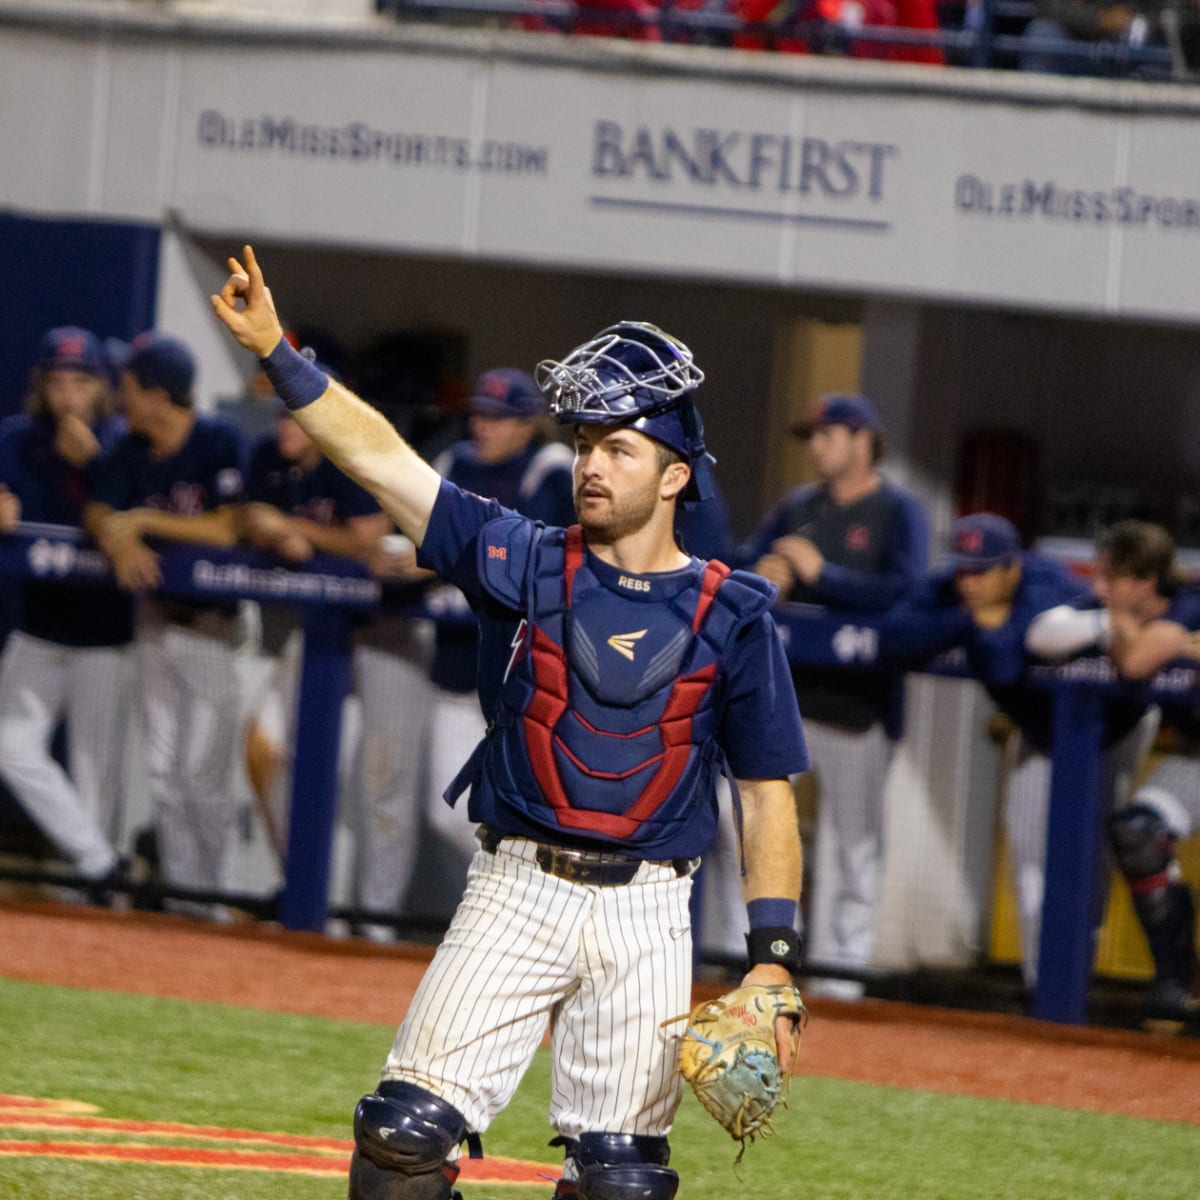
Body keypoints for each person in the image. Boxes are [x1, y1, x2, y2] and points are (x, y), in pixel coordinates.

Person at [212, 245, 808, 1200]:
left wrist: (773, 962)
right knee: (403, 1138)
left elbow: (768, 797)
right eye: (583, 446)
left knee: (623, 1183)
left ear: (675, 478)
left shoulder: (734, 613)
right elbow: (381, 461)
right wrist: (281, 353)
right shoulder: (519, 556)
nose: (590, 465)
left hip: (652, 911)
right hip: (518, 885)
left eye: (618, 448)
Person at [884, 513, 1153, 992]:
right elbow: (892, 636)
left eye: (982, 570)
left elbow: (1011, 660)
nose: (969, 581)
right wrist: (967, 620)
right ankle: (1042, 989)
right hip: (1040, 729)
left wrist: (985, 633)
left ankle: (1072, 991)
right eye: (964, 569)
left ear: (1011, 566)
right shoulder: (958, 589)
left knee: (1087, 864)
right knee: (1029, 858)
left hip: (1107, 729)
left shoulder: (1050, 585)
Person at [736, 392, 928, 998]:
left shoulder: (898, 509)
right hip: (787, 697)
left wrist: (823, 574)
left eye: (827, 434)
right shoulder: (799, 506)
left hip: (858, 707)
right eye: (813, 436)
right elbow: (741, 566)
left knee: (854, 848)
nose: (816, 446)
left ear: (862, 438)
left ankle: (843, 982)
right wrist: (772, 571)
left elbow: (907, 593)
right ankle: (743, 960)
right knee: (751, 834)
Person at [85, 332, 247, 912]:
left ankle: (217, 902)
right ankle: (186, 905)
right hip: (155, 620)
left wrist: (144, 520)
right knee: (162, 773)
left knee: (201, 778)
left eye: (128, 386)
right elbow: (100, 506)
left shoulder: (216, 439)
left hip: (209, 628)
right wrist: (116, 538)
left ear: (157, 394)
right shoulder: (128, 447)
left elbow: (229, 527)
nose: (120, 396)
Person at [1027, 520, 1199, 1027]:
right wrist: (1130, 630)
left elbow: (1139, 657)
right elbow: (1042, 636)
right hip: (1195, 755)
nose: (1099, 588)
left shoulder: (1191, 603)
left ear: (1146, 580)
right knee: (1137, 832)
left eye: (1113, 578)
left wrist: (1145, 638)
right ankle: (1178, 980)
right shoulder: (1115, 612)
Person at [422, 368, 575, 876]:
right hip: (456, 666)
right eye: (479, 415)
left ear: (527, 424)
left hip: (525, 675)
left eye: (498, 417)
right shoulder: (454, 461)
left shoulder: (551, 468)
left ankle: (522, 894)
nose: (483, 426)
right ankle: (516, 886)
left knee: (526, 804)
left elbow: (527, 556)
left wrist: (443, 559)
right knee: (442, 814)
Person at [0, 326, 134, 895]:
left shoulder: (122, 440)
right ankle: (100, 866)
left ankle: (90, 894)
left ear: (101, 387)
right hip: (38, 626)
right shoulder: (17, 438)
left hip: (106, 633)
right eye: (57, 382)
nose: (68, 396)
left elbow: (134, 510)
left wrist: (96, 463)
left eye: (80, 382)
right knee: (9, 748)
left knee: (95, 776)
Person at [238, 384, 390, 868]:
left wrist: (293, 528)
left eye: (295, 418)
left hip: (365, 641)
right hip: (294, 636)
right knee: (269, 756)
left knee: (338, 785)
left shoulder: (352, 457)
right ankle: (299, 885)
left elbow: (371, 540)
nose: (284, 427)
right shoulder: (267, 456)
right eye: (280, 417)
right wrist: (270, 528)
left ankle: (324, 910)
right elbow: (246, 516)